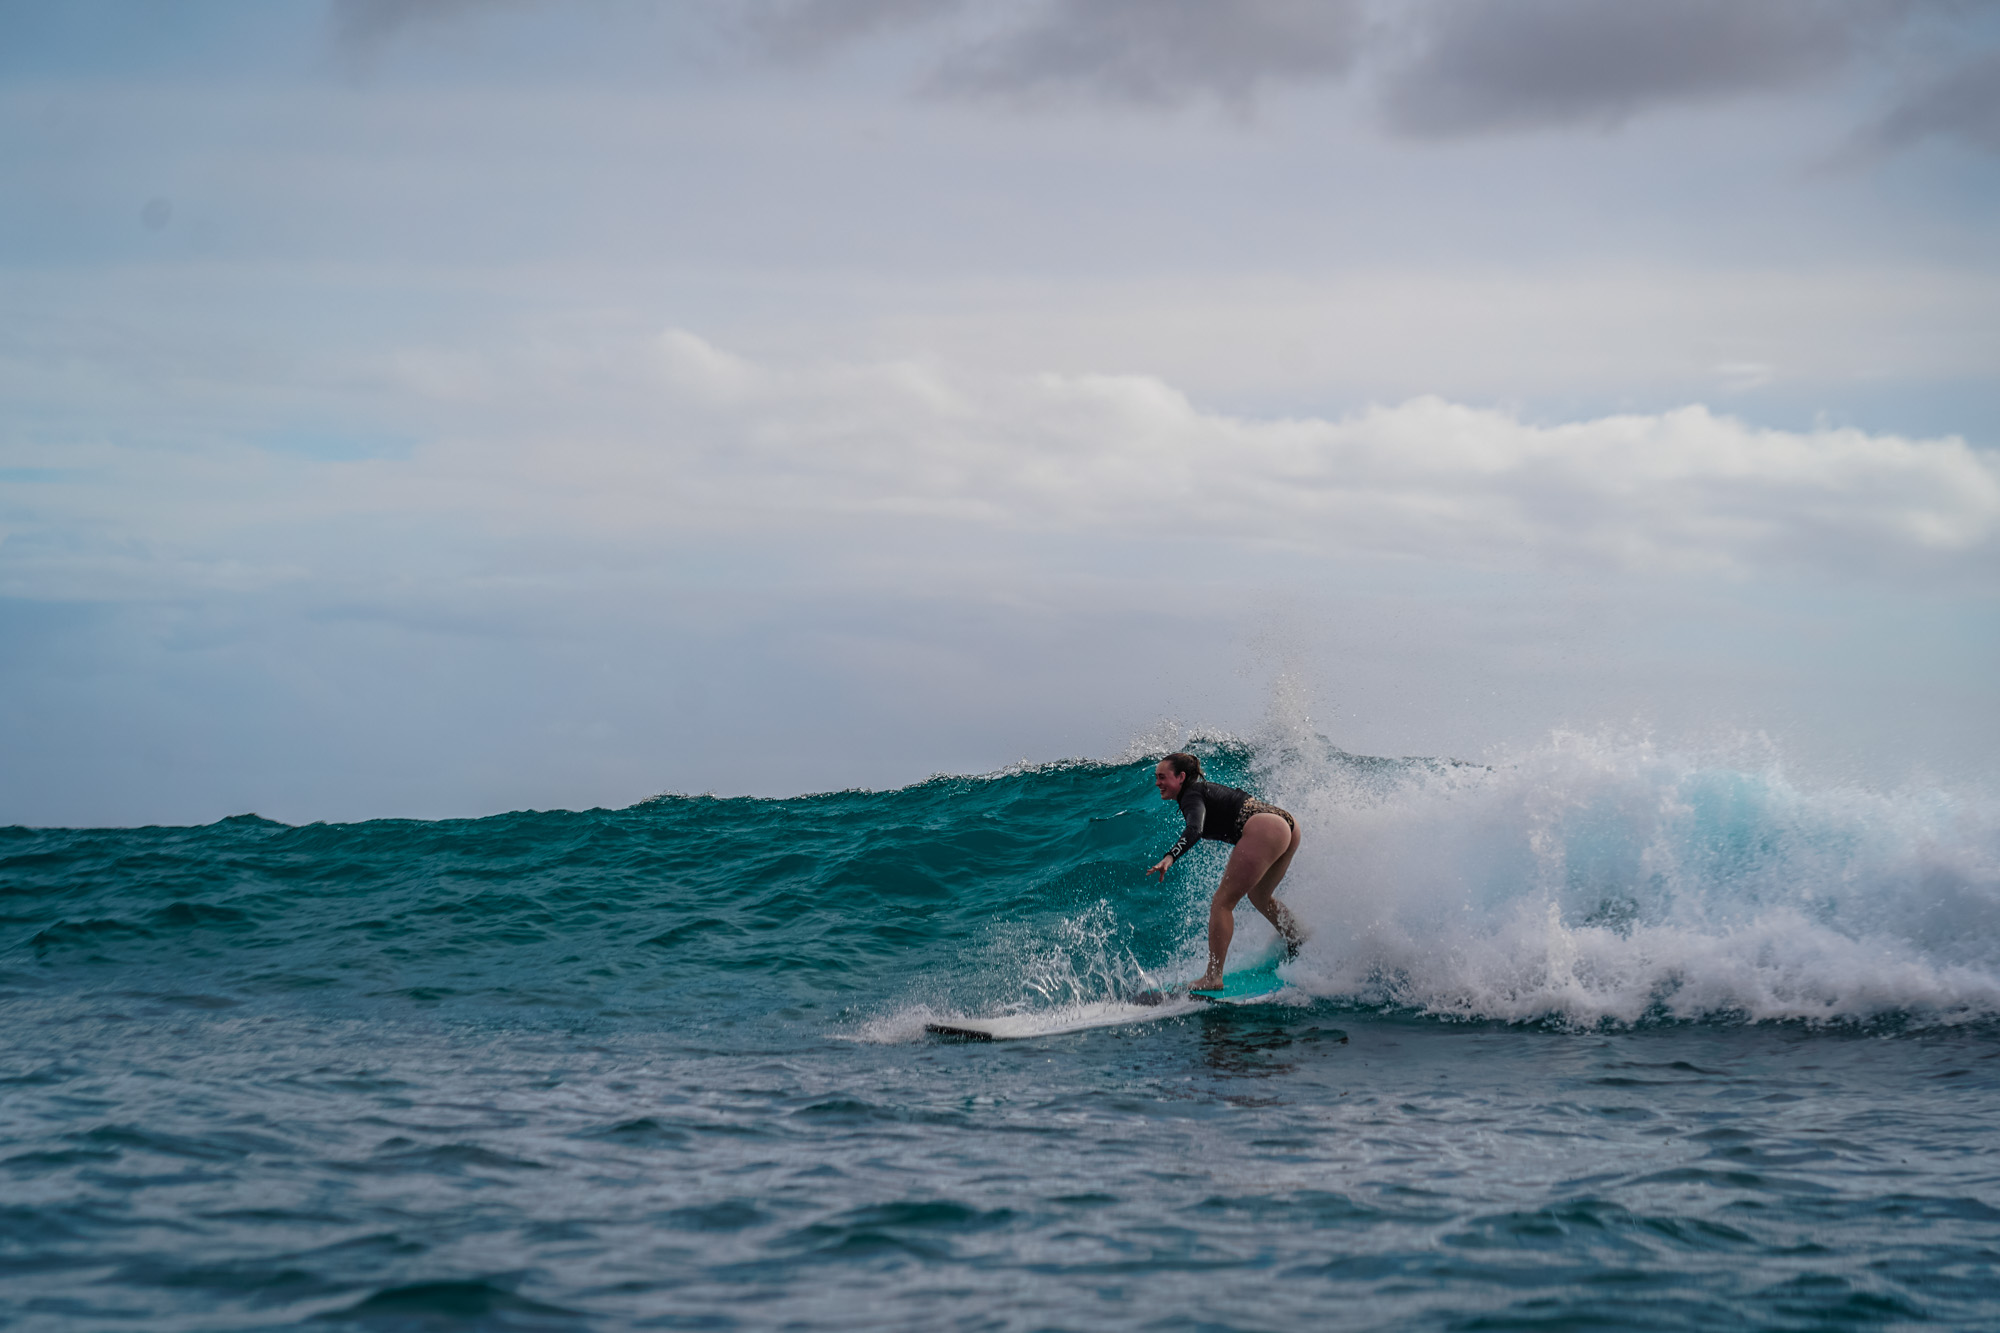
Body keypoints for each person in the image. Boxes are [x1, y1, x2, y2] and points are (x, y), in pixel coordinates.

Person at [1147, 751, 1304, 991]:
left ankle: (1212, 977)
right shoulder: (1201, 790)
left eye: (1162, 777)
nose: (1157, 783)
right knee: (1259, 896)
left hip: (1265, 828)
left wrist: (1170, 856)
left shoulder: (1191, 794)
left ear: (1180, 777)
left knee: (1221, 902)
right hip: (1285, 825)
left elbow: (1195, 829)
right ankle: (1297, 939)